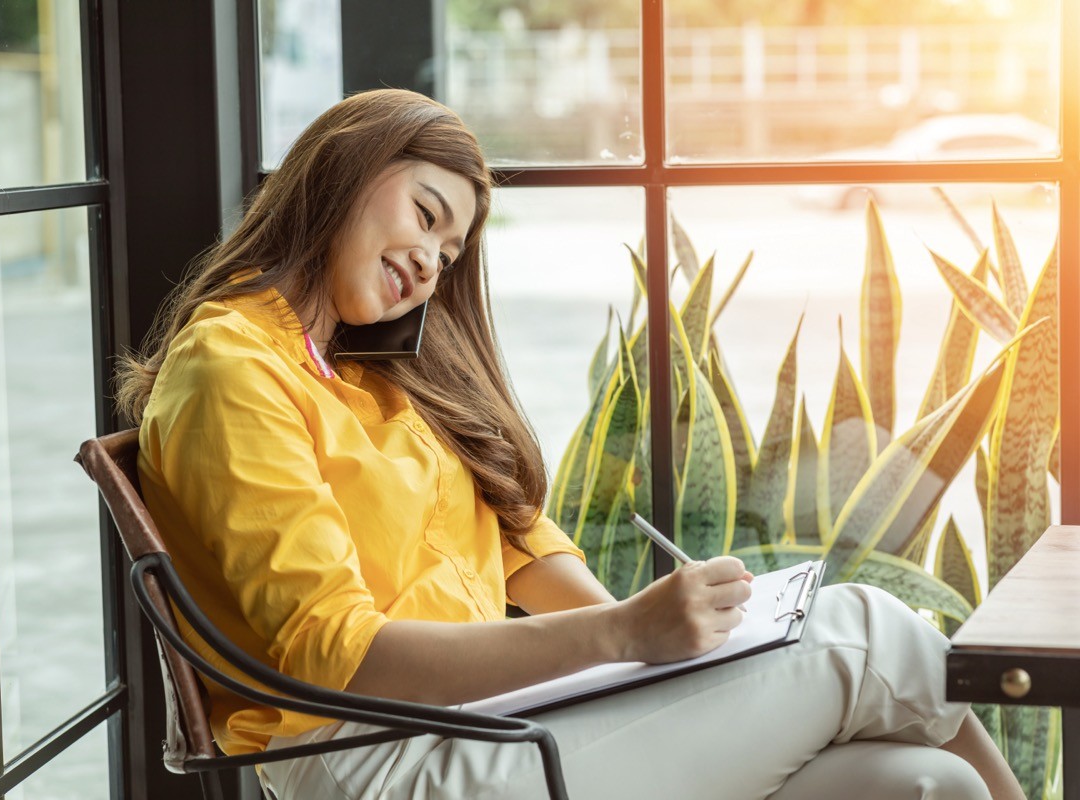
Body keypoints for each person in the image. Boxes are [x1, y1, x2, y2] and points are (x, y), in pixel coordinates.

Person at [116, 89, 1024, 800]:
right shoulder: (232, 365)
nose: (434, 261)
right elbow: (336, 653)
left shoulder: (362, 373)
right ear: (345, 172)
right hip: (381, 760)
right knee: (870, 634)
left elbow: (516, 543)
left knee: (923, 785)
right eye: (427, 215)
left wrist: (651, 663)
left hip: (487, 728)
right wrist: (619, 632)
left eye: (453, 249)